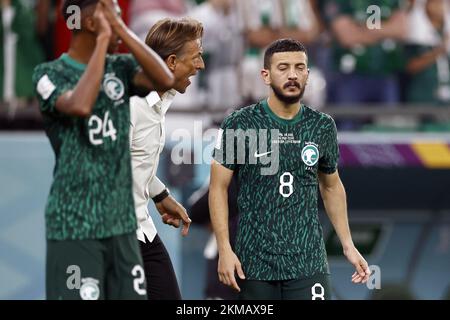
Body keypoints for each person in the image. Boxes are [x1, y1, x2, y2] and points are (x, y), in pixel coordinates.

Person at [32, 0, 174, 300]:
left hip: (121, 226)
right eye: (113, 15)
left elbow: (164, 78)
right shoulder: (49, 74)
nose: (120, 22)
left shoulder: (121, 68)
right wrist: (103, 41)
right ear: (91, 22)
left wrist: (118, 29)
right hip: (74, 225)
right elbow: (80, 105)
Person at [209, 39, 371, 300]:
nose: (293, 74)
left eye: (300, 67)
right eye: (283, 68)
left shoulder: (322, 126)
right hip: (254, 261)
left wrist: (348, 245)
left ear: (308, 73)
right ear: (266, 75)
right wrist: (225, 249)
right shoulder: (240, 123)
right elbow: (218, 187)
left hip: (308, 260)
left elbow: (331, 186)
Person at [129, 17, 204, 300]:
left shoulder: (159, 100)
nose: (201, 66)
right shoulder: (130, 104)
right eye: (196, 57)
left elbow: (135, 161)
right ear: (172, 62)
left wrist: (159, 195)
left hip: (142, 231)